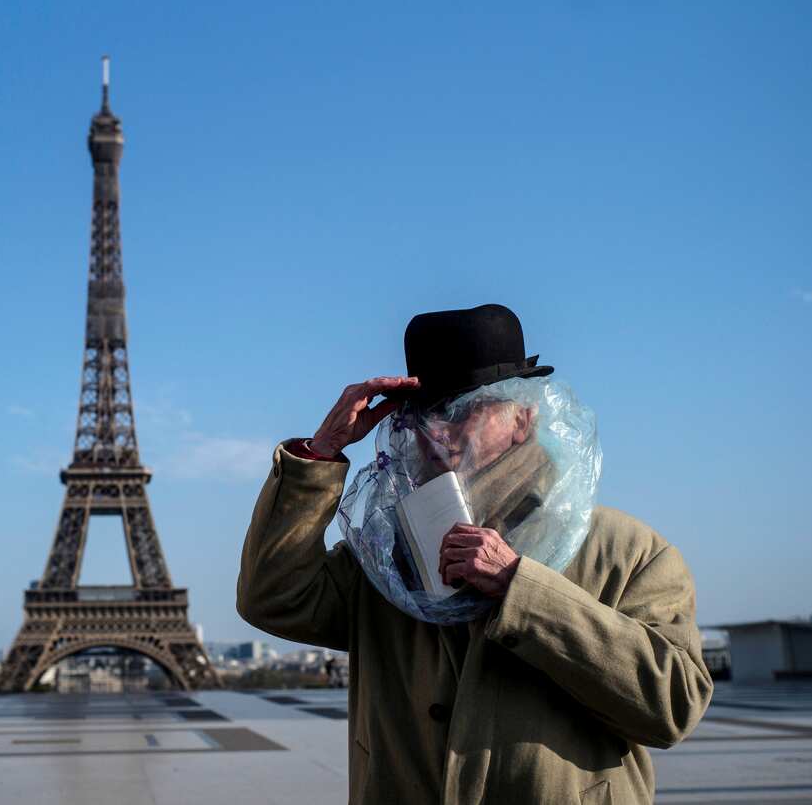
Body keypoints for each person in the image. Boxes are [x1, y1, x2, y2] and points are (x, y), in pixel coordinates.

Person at [237, 304, 712, 804]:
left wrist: (521, 589)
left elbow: (674, 706)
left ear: (523, 419)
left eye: (463, 409)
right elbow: (274, 599)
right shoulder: (385, 553)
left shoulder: (627, 551)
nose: (437, 430)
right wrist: (319, 455)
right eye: (422, 414)